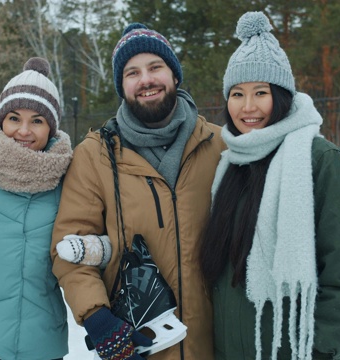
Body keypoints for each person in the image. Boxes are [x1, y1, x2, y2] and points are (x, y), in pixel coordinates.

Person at [51, 23, 226, 360]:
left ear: (175, 76)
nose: (145, 79)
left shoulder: (220, 145)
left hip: (216, 344)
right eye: (132, 72)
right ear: (122, 85)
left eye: (155, 67)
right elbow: (69, 248)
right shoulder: (95, 155)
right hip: (138, 345)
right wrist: (98, 317)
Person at [198, 11, 340, 360]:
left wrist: (320, 351)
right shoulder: (230, 162)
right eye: (237, 94)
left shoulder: (320, 161)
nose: (248, 107)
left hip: (292, 349)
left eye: (260, 92)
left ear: (282, 94)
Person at [0, 57, 72, 360]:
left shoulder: (69, 180)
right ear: (0, 121)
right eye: (14, 118)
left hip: (43, 346)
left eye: (37, 120)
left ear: (51, 127)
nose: (24, 130)